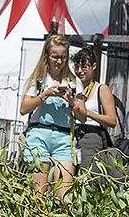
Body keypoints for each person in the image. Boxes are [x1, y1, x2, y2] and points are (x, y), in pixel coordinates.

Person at [19, 32, 81, 194]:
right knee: (40, 192)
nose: (59, 62)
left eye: (63, 57)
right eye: (55, 57)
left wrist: (71, 102)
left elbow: (83, 116)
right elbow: (24, 108)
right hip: (39, 136)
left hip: (64, 138)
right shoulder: (38, 80)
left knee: (65, 195)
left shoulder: (74, 83)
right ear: (46, 56)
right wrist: (44, 94)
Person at [69, 44, 122, 172]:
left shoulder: (101, 89)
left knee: (88, 177)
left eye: (84, 67)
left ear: (94, 66)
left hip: (91, 136)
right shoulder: (74, 87)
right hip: (72, 134)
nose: (80, 71)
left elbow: (112, 120)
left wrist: (88, 113)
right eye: (77, 67)